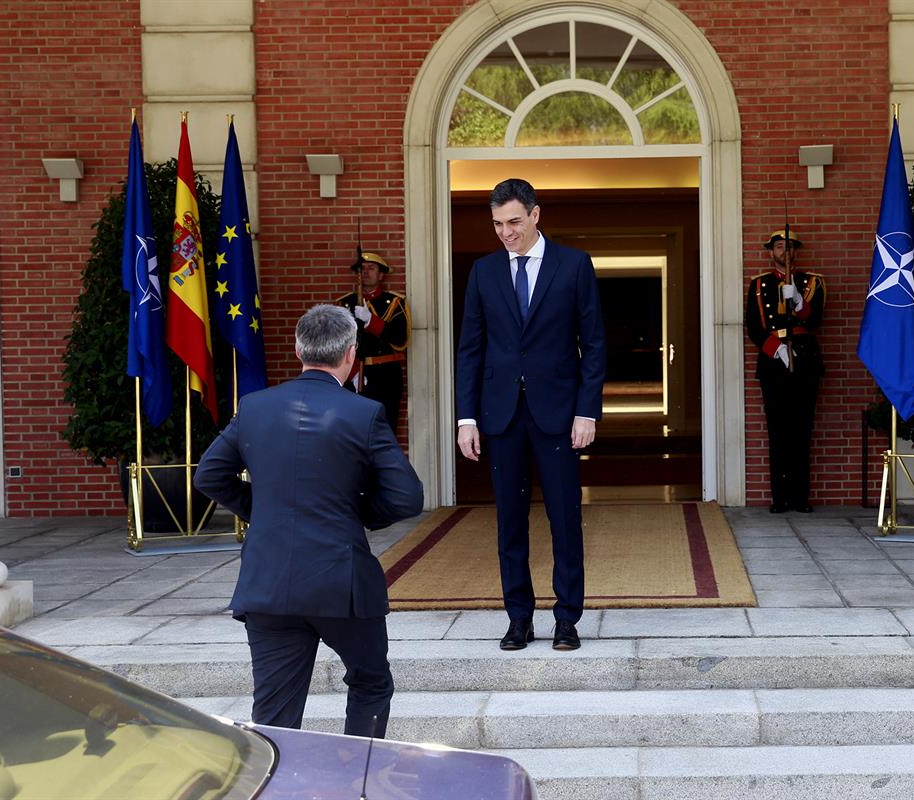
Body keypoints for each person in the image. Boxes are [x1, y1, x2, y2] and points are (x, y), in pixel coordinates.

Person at [194, 304, 423, 738]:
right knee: (371, 684)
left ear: (299, 350)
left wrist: (262, 511)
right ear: (351, 354)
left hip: (269, 583)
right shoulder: (364, 412)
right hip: (341, 581)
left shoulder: (255, 407)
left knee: (275, 715)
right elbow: (407, 498)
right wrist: (354, 513)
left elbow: (209, 476)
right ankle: (358, 781)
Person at [455, 178, 607, 652]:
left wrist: (587, 411)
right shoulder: (483, 272)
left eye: (514, 222)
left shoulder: (574, 265)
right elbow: (471, 350)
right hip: (501, 417)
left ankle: (567, 618)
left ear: (536, 215)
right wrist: (466, 419)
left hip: (559, 414)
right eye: (498, 224)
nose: (506, 232)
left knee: (564, 518)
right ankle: (518, 617)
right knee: (509, 522)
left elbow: (595, 344)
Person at [745, 230, 826, 513]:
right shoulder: (758, 285)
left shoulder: (812, 282)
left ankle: (800, 498)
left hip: (804, 359)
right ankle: (780, 498)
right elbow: (753, 326)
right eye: (779, 247)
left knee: (802, 429)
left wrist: (799, 304)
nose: (785, 251)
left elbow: (815, 320)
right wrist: (775, 349)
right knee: (777, 430)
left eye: (789, 247)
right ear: (771, 253)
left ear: (796, 252)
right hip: (773, 361)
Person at [334, 251, 410, 435]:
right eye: (362, 269)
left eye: (372, 268)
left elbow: (401, 339)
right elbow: (338, 344)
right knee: (355, 430)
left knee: (385, 429)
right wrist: (352, 373)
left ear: (381, 274)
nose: (366, 272)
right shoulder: (345, 303)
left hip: (386, 375)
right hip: (353, 375)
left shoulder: (394, 302)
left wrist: (371, 321)